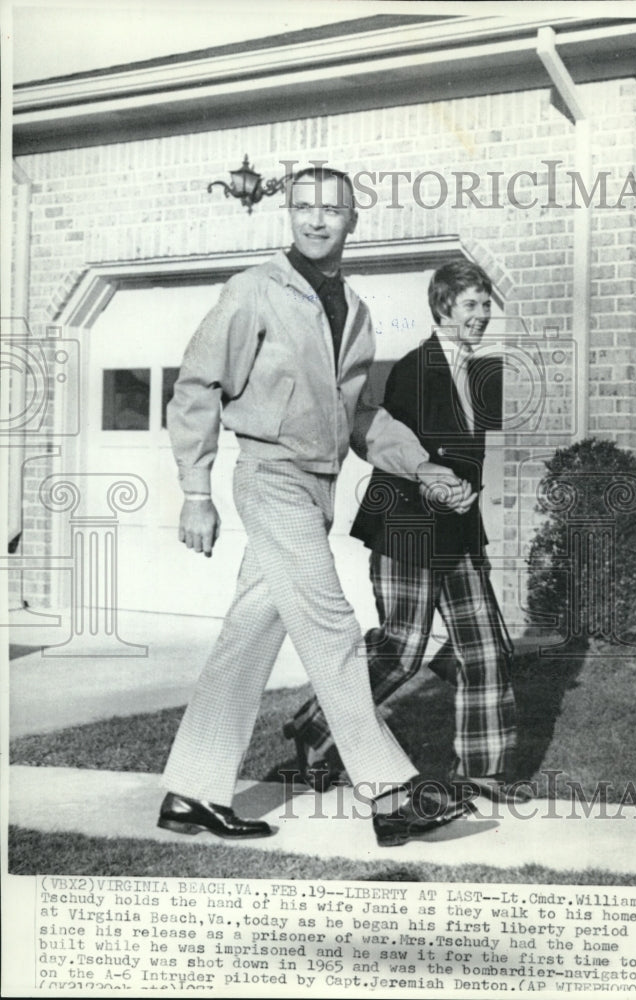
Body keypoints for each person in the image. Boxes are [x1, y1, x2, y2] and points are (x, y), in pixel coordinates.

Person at [157, 166, 475, 848]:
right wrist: (194, 490)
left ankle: (190, 792)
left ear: (353, 219)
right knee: (332, 628)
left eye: (331, 209)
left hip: (316, 487)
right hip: (270, 478)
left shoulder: (353, 309)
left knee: (247, 640)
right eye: (302, 207)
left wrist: (423, 466)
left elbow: (361, 415)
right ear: (289, 215)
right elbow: (197, 386)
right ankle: (390, 793)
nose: (315, 219)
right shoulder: (252, 292)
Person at [284, 259, 525, 806]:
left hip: (458, 529)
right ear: (443, 308)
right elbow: (399, 454)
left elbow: (464, 459)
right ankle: (315, 733)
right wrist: (443, 487)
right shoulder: (417, 369)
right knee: (401, 648)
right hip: (408, 526)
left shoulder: (479, 373)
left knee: (485, 650)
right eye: (470, 305)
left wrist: (468, 498)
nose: (482, 314)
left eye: (486, 304)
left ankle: (480, 775)